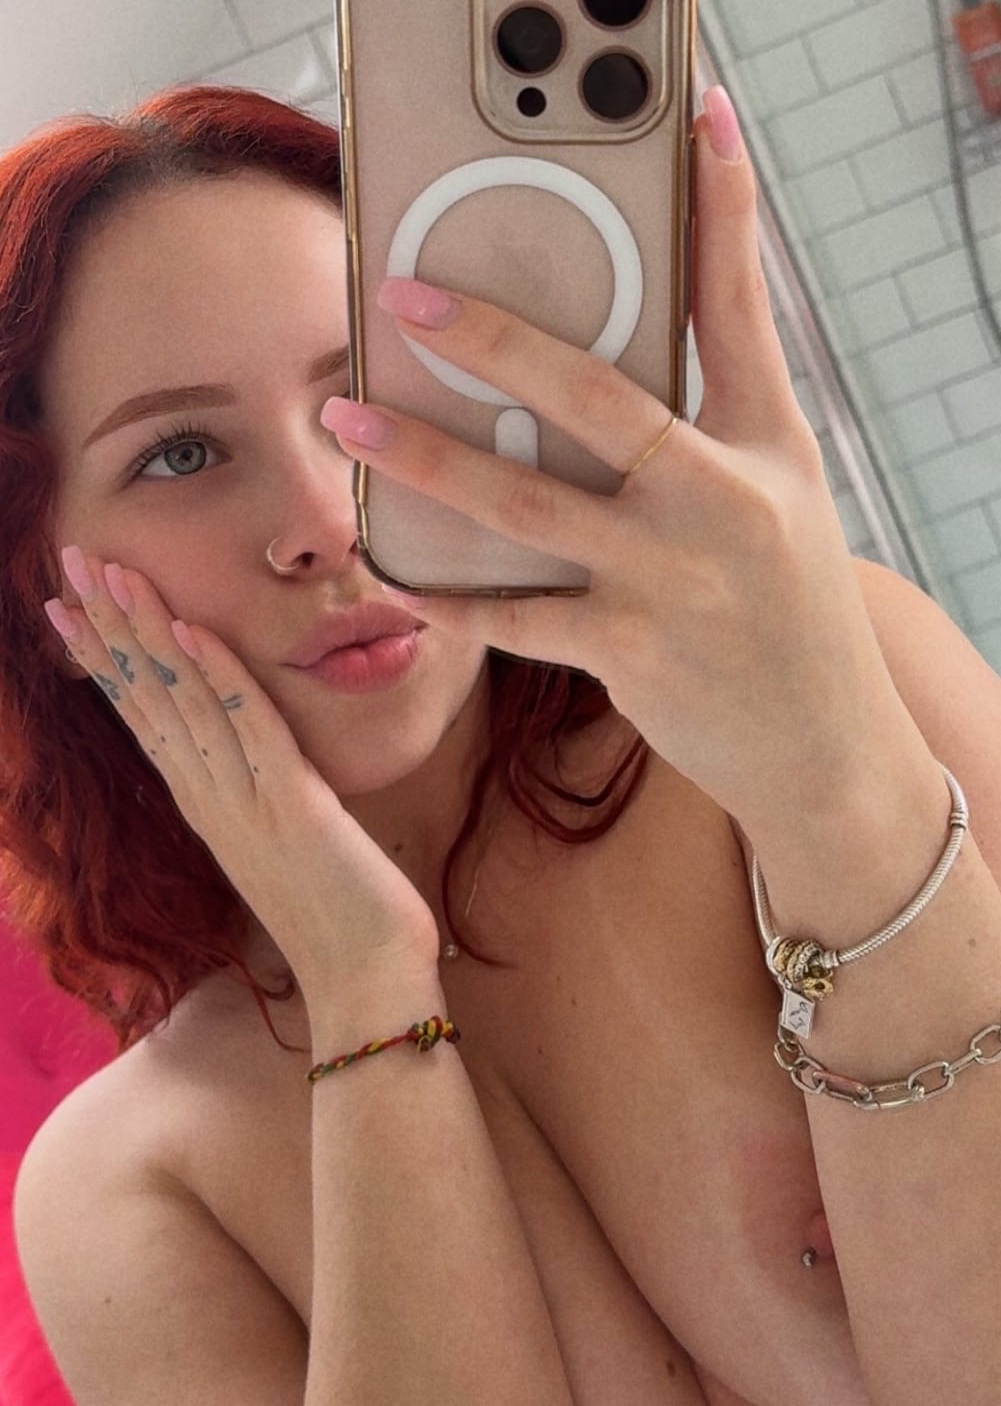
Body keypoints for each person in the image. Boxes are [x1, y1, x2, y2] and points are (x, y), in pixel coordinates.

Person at [3, 82, 1001, 1406]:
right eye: (181, 454)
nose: (328, 520)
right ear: (39, 582)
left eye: (365, 395)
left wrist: (833, 781)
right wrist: (364, 987)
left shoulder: (849, 683)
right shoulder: (131, 1183)